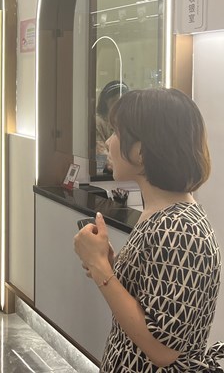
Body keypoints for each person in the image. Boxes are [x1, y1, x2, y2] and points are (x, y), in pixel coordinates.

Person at [74, 88, 224, 372]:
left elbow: (162, 348)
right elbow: (148, 299)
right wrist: (107, 264)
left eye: (117, 133)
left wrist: (100, 268)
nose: (109, 141)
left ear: (141, 151)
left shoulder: (180, 229)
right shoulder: (161, 215)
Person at [96, 80, 129, 174]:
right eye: (115, 101)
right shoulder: (98, 121)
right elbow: (101, 158)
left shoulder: (128, 120)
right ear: (106, 102)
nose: (119, 106)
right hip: (107, 173)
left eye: (123, 101)